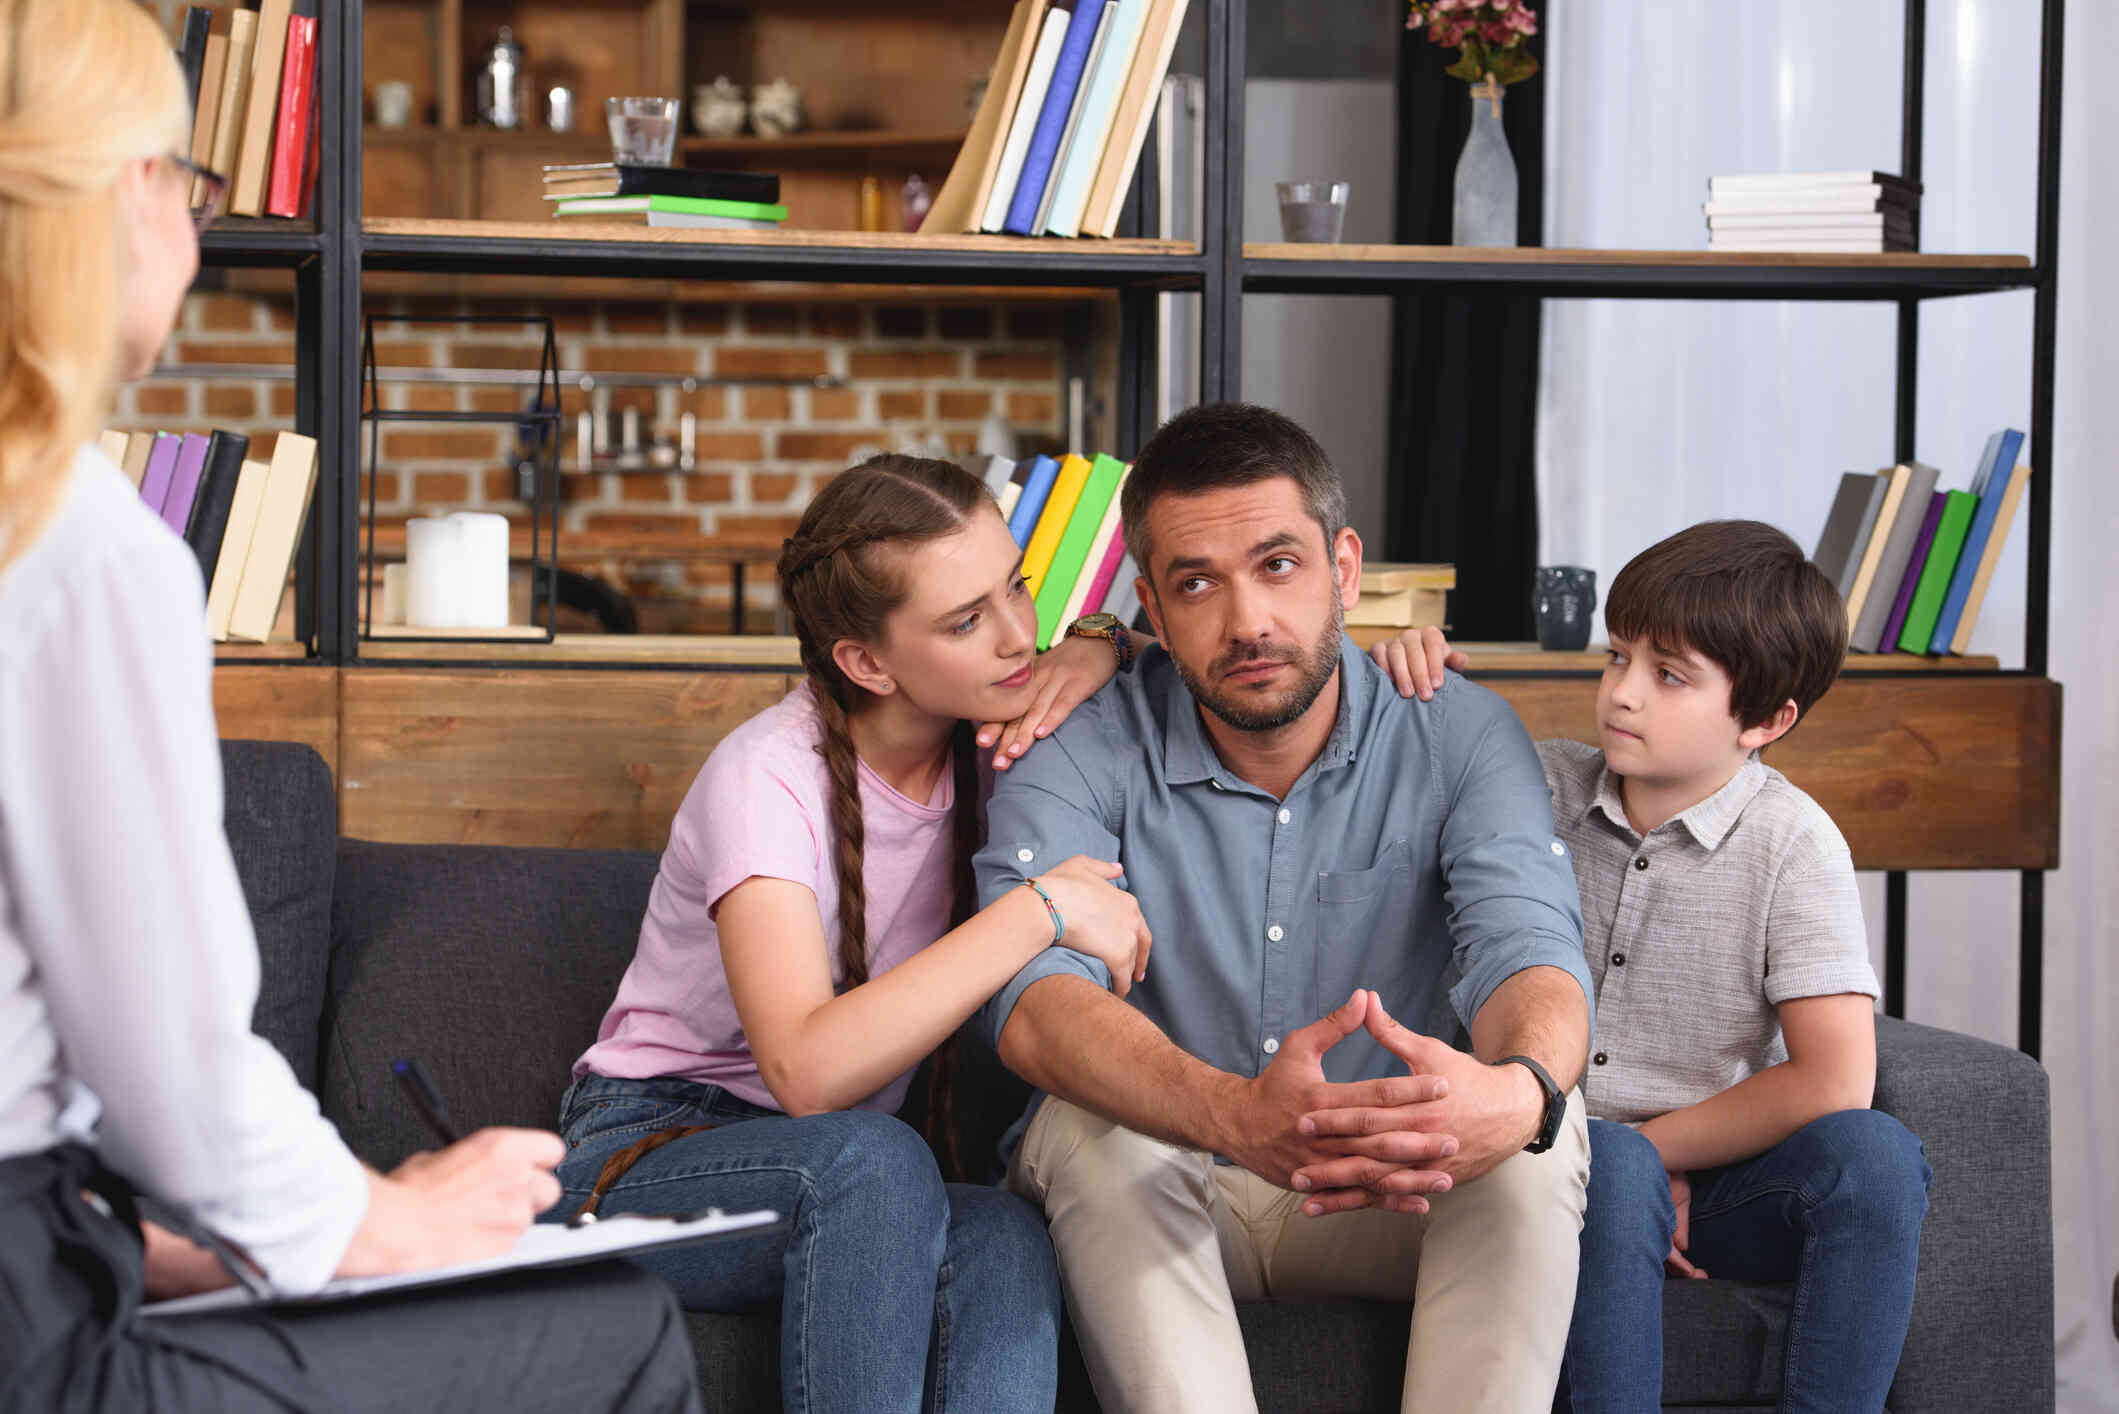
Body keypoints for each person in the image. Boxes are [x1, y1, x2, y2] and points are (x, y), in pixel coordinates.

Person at [0, 3, 700, 1410]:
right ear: (127, 198)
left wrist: (225, 1239)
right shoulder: (74, 546)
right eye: (189, 183)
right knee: (614, 1322)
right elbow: (175, 1071)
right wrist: (384, 1220)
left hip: (54, 1252)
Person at [552, 451, 1459, 1414]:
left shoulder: (999, 736)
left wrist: (1121, 640)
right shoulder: (765, 779)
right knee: (875, 1163)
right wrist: (1042, 910)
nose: (1017, 635)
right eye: (964, 620)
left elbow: (1212, 677)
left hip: (857, 1170)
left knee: (1007, 1237)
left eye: (1015, 589)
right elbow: (807, 1074)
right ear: (865, 662)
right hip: (652, 1154)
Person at [972, 401, 1595, 1414]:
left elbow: (1527, 943)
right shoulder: (1076, 743)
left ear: (1343, 570)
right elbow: (1035, 1004)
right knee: (1093, 1129)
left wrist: (1522, 1092)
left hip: (1388, 1194)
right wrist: (1233, 1113)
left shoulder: (1460, 735)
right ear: (1152, 611)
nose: (1247, 622)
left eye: (1277, 566)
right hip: (1173, 1189)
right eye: (1196, 585)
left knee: (1543, 1131)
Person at [1541, 521, 1931, 1414]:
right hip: (1543, 1164)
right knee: (1612, 1164)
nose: (1622, 694)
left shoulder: (1793, 843)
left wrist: (1654, 1154)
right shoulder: (1541, 790)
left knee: (1873, 1155)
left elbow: (1836, 1080)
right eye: (1617, 657)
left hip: (1710, 1181)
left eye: (1668, 675)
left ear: (1765, 720)